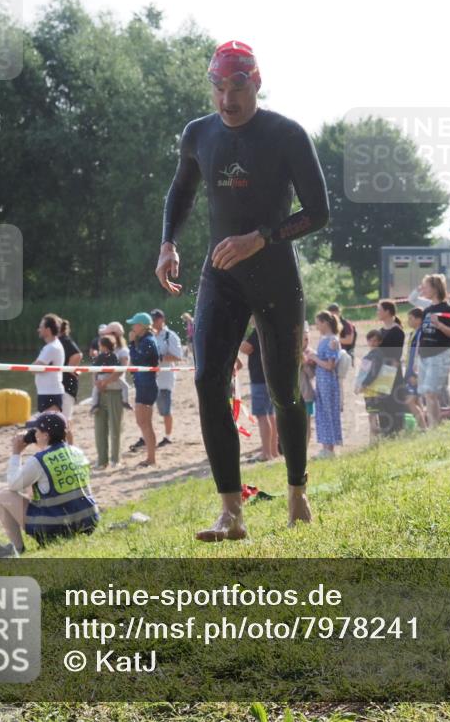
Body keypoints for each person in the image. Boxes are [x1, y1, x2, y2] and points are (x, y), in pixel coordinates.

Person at [157, 40, 329, 542]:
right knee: (209, 380)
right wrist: (168, 243)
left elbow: (318, 213)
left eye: (237, 87)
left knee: (282, 391)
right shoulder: (198, 134)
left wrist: (263, 237)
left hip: (275, 275)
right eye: (218, 87)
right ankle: (231, 513)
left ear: (256, 83)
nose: (226, 98)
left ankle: (297, 492)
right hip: (221, 275)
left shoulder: (286, 134)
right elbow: (181, 191)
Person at [0, 412, 99, 553]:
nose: (34, 434)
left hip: (56, 530)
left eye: (37, 430)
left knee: (3, 497)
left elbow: (13, 484)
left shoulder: (39, 460)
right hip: (88, 522)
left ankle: (18, 549)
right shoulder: (77, 452)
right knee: (35, 485)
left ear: (45, 435)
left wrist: (16, 453)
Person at [418, 274, 450, 427]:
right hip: (424, 355)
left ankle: (435, 425)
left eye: (426, 286)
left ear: (435, 288)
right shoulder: (427, 310)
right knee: (426, 394)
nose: (423, 289)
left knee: (431, 392)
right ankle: (433, 426)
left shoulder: (448, 309)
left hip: (440, 354)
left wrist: (440, 325)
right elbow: (422, 333)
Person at [126, 312, 160, 468]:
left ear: (142, 326)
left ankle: (151, 458)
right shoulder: (147, 340)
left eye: (135, 324)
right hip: (145, 385)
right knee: (145, 423)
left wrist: (131, 344)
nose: (132, 328)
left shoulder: (147, 341)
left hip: (146, 386)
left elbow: (139, 361)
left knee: (143, 423)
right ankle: (151, 457)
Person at [240, 325, 278, 462]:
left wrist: (238, 339)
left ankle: (266, 453)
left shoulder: (259, 330)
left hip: (260, 378)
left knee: (263, 416)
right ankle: (273, 451)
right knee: (271, 415)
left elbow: (246, 348)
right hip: (270, 377)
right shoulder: (271, 328)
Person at [308, 311, 342, 458]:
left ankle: (330, 448)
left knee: (329, 412)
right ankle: (325, 447)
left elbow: (330, 365)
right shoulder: (324, 339)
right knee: (321, 412)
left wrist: (314, 358)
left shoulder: (332, 341)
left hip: (328, 381)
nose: (317, 326)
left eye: (318, 323)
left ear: (325, 323)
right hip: (321, 381)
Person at [91, 335, 125, 469]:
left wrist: (104, 382)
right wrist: (97, 383)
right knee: (99, 428)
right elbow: (93, 371)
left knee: (115, 427)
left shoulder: (118, 355)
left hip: (114, 393)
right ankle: (101, 460)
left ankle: (115, 459)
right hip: (100, 393)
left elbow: (119, 372)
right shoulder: (99, 357)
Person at [150, 308, 182, 448]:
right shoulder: (150, 335)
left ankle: (168, 436)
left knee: (165, 409)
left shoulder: (170, 336)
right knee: (147, 408)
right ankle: (146, 437)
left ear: (162, 320)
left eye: (155, 319)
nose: (153, 322)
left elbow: (178, 356)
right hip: (151, 378)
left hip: (165, 378)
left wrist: (160, 357)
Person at [375, 300, 406, 435]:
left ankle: (396, 431)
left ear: (387, 311)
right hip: (381, 370)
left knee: (393, 402)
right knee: (382, 403)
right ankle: (385, 431)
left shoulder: (397, 331)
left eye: (379, 309)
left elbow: (395, 355)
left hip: (391, 370)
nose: (377, 312)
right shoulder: (380, 331)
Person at [354, 329, 386, 440]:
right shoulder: (373, 354)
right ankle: (373, 440)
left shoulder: (376, 355)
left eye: (375, 341)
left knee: (372, 416)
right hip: (371, 391)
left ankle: (377, 437)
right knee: (372, 415)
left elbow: (373, 372)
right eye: (370, 341)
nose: (372, 343)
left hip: (373, 390)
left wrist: (363, 384)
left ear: (379, 342)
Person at [33, 313, 66, 412]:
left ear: (48, 330)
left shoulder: (51, 347)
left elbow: (35, 368)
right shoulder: (52, 346)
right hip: (48, 392)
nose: (38, 329)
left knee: (49, 426)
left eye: (41, 327)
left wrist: (34, 365)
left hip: (50, 393)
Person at [58, 319, 83, 422]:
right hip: (63, 385)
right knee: (62, 419)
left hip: (67, 385)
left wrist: (70, 368)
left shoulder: (65, 340)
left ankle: (67, 438)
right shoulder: (60, 341)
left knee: (64, 420)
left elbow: (78, 355)